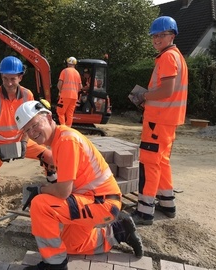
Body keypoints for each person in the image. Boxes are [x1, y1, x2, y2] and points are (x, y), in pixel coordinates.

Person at [14, 100, 143, 270]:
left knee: (40, 204)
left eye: (34, 125)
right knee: (70, 245)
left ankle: (55, 265)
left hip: (104, 204)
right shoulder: (59, 141)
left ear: (49, 117)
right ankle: (119, 232)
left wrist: (39, 190)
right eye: (27, 130)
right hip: (91, 201)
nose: (32, 132)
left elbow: (62, 192)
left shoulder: (67, 141)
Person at [0, 56, 57, 228]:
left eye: (12, 79)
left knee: (50, 157)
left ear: (20, 77)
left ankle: (55, 194)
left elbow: (29, 121)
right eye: (4, 78)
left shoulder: (27, 95)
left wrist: (25, 142)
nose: (8, 83)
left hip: (19, 139)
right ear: (1, 77)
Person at [130, 16, 188, 225]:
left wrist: (144, 96)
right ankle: (167, 204)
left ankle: (144, 211)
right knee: (162, 161)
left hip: (158, 120)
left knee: (149, 163)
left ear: (172, 35)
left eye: (161, 35)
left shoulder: (167, 58)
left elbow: (166, 90)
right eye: (154, 36)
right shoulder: (177, 56)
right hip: (167, 120)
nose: (156, 39)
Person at [56, 56, 82, 127]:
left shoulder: (64, 71)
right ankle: (68, 128)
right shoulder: (77, 73)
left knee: (60, 112)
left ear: (67, 63)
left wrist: (61, 91)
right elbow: (80, 87)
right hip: (74, 97)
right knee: (69, 114)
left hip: (65, 96)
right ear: (75, 64)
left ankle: (63, 127)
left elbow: (59, 84)